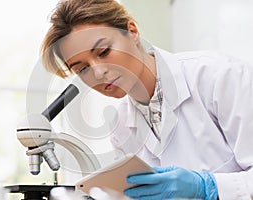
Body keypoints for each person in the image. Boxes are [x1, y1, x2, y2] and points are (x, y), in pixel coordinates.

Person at [40, 0, 253, 199]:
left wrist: (208, 187)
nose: (98, 73)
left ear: (132, 31)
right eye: (82, 69)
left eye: (104, 51)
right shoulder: (121, 126)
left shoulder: (219, 77)